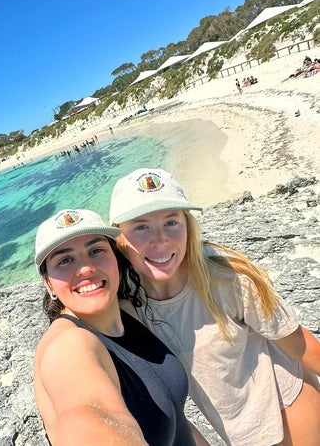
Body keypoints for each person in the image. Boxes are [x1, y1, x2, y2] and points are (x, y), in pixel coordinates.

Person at [109, 168, 320, 446]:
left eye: (171, 222)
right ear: (119, 239)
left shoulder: (225, 278)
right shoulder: (125, 306)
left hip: (291, 409)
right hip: (237, 433)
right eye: (141, 226)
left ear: (188, 226)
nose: (160, 239)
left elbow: (298, 344)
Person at [33, 208, 204, 445]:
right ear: (48, 283)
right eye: (65, 260)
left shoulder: (127, 313)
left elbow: (175, 417)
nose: (86, 268)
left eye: (96, 251)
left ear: (116, 259)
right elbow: (89, 416)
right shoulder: (69, 345)